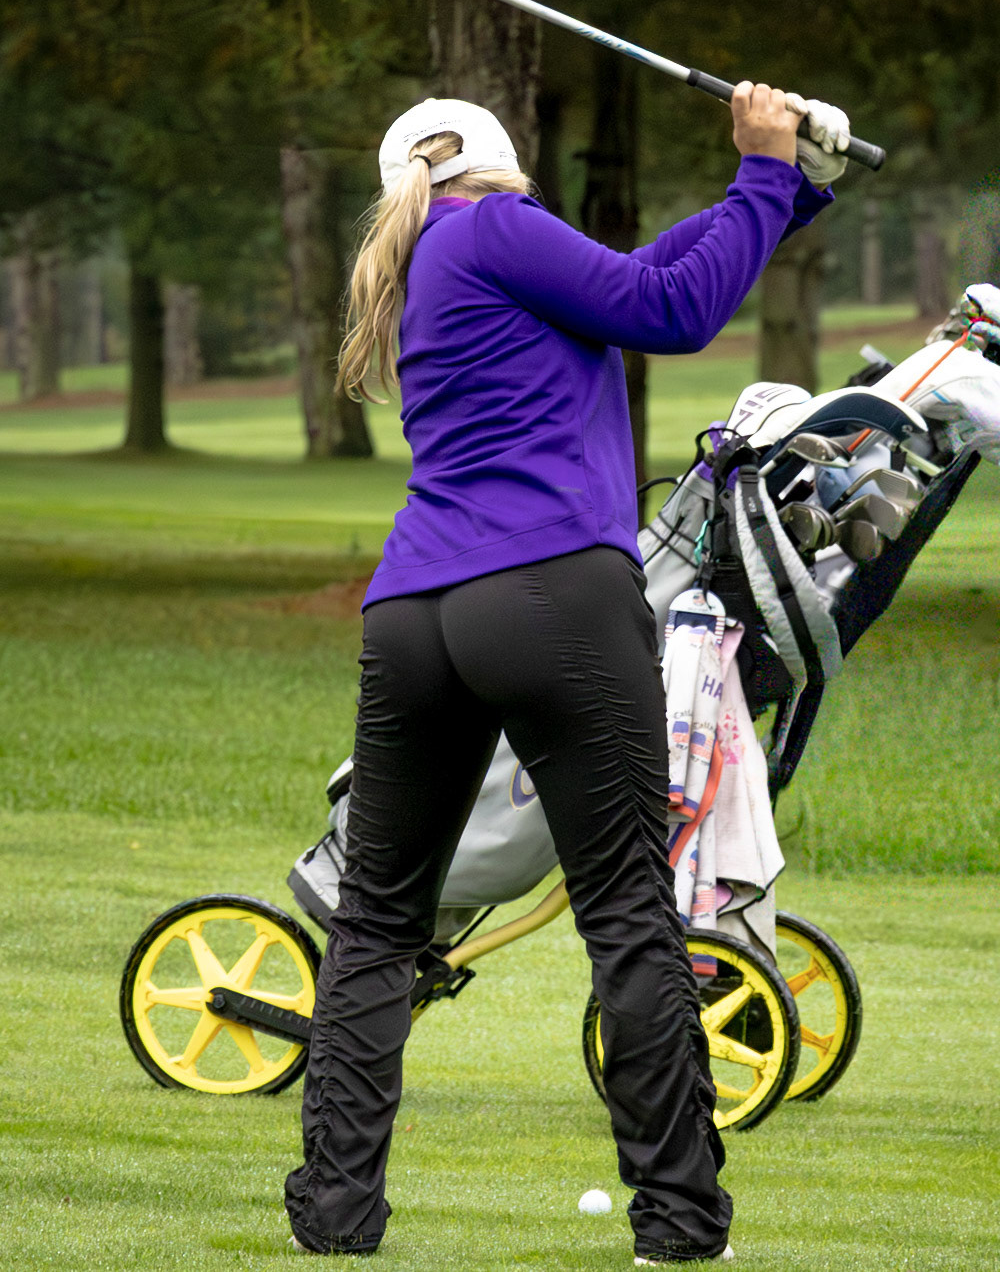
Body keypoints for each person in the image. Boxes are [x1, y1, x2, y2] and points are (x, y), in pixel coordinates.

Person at [284, 80, 847, 1261]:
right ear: (502, 163)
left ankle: (333, 1225)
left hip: (415, 613)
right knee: (632, 915)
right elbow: (674, 308)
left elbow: (639, 277)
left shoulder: (437, 254)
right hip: (550, 597)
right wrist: (757, 169)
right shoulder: (495, 225)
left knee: (378, 927)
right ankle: (680, 1225)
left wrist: (782, 189)